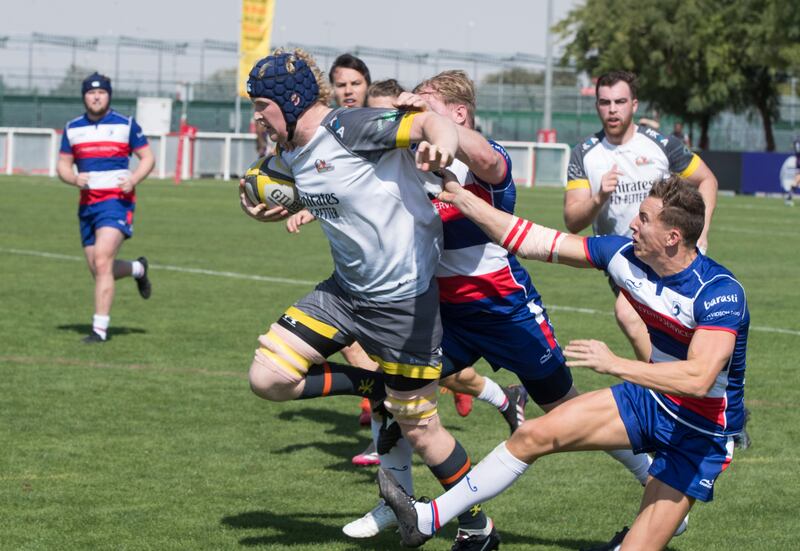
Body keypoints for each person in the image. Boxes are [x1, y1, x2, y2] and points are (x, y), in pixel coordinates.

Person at [344, 69, 654, 541]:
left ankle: (652, 475)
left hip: (505, 310)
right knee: (393, 392)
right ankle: (397, 501)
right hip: (447, 317)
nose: (418, 115)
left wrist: (427, 115)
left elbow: (485, 156)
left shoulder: (487, 162)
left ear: (459, 114)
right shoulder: (414, 160)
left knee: (565, 411)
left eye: (429, 105)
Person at [379, 175, 749, 551]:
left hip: (700, 431)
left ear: (672, 237)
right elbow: (532, 240)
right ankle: (426, 519)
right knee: (532, 435)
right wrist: (462, 198)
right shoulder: (623, 256)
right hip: (653, 402)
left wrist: (615, 364)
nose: (632, 224)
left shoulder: (718, 292)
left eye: (644, 218)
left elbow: (699, 378)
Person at [241, 48, 500, 550]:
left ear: (289, 101)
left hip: (406, 302)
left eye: (261, 107)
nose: (257, 117)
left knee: (421, 429)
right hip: (345, 293)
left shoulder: (351, 127)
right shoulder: (289, 150)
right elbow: (266, 181)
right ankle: (368, 382)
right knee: (267, 378)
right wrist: (257, 208)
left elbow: (428, 126)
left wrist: (443, 147)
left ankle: (477, 526)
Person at [564, 70, 718, 365]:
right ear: (597, 105)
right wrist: (598, 199)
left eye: (619, 101)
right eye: (605, 102)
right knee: (643, 322)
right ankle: (674, 390)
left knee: (656, 322)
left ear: (634, 104)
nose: (612, 109)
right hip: (625, 257)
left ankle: (675, 390)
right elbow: (572, 219)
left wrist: (703, 231)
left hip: (668, 252)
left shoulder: (661, 144)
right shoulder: (584, 154)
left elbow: (706, 180)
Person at [57, 72, 155, 343]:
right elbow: (63, 165)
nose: (96, 96)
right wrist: (74, 178)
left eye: (101, 92)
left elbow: (147, 157)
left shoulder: (126, 125)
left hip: (116, 202)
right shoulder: (73, 128)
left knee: (102, 260)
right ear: (84, 96)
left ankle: (99, 330)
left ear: (109, 95)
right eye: (91, 92)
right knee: (99, 268)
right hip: (87, 204)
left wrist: (133, 178)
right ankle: (138, 269)